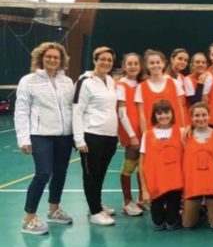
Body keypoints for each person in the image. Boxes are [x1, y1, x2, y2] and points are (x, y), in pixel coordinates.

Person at [14, 42, 75, 235]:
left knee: (60, 172)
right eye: (49, 56)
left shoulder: (67, 82)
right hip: (40, 135)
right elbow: (21, 110)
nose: (52, 60)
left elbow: (72, 108)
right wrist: (23, 139)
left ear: (61, 60)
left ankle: (53, 210)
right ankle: (29, 219)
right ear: (41, 58)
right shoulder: (28, 81)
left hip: (64, 136)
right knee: (43, 173)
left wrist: (75, 134)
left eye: (56, 57)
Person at [73, 46, 119, 226]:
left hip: (110, 136)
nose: (106, 62)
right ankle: (94, 212)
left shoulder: (110, 81)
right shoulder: (85, 81)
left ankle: (96, 204)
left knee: (100, 173)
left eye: (109, 60)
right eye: (103, 59)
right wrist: (79, 139)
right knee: (91, 175)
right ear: (94, 60)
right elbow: (77, 110)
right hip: (92, 135)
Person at [139, 99, 185, 230]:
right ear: (154, 116)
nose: (163, 116)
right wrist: (144, 190)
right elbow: (141, 164)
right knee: (158, 225)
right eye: (159, 113)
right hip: (155, 184)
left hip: (174, 185)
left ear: (172, 113)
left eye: (166, 112)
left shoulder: (181, 132)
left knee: (171, 224)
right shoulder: (147, 135)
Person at [182, 103, 213, 229]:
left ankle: (212, 207)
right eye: (196, 115)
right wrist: (188, 127)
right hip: (194, 183)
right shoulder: (184, 134)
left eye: (204, 115)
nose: (201, 118)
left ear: (209, 116)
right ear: (191, 117)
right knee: (188, 224)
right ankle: (200, 210)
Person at [116, 53, 146, 216]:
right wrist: (132, 135)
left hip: (143, 130)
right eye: (130, 63)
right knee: (129, 164)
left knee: (142, 165)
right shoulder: (121, 85)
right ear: (124, 66)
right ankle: (127, 201)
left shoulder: (142, 84)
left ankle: (142, 199)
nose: (133, 66)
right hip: (131, 131)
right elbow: (122, 113)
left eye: (136, 63)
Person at [136, 50, 186, 131]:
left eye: (158, 62)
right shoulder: (140, 87)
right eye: (152, 63)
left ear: (163, 64)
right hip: (152, 133)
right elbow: (142, 115)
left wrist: (183, 129)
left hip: (175, 131)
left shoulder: (175, 83)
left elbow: (181, 109)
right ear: (147, 66)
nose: (155, 65)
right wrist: (145, 135)